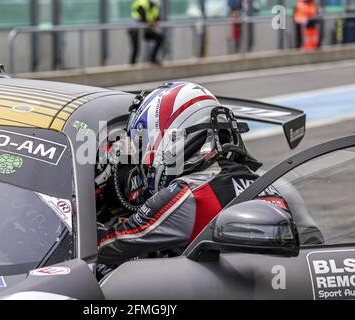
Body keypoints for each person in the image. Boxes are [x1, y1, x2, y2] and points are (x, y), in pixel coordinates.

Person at [96, 82, 290, 266]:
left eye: (146, 141)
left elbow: (110, 245)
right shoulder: (265, 184)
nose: (144, 156)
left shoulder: (191, 192)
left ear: (171, 133)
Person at [129, 0, 164, 65]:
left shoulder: (155, 6)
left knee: (160, 38)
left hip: (145, 30)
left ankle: (153, 58)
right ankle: (132, 65)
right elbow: (143, 18)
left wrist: (153, 23)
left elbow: (157, 18)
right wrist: (151, 23)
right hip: (135, 30)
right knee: (136, 49)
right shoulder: (141, 3)